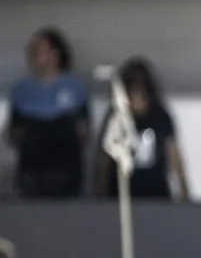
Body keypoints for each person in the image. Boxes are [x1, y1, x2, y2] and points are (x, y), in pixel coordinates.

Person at [4, 28, 90, 198]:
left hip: (66, 173)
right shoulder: (21, 90)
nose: (33, 55)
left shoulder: (75, 88)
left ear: (55, 54)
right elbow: (13, 133)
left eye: (38, 50)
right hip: (32, 174)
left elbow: (84, 131)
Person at [94, 57, 190, 200]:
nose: (136, 99)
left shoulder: (160, 116)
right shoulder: (117, 116)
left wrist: (184, 189)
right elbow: (106, 155)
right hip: (121, 194)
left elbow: (173, 154)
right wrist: (100, 191)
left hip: (155, 194)